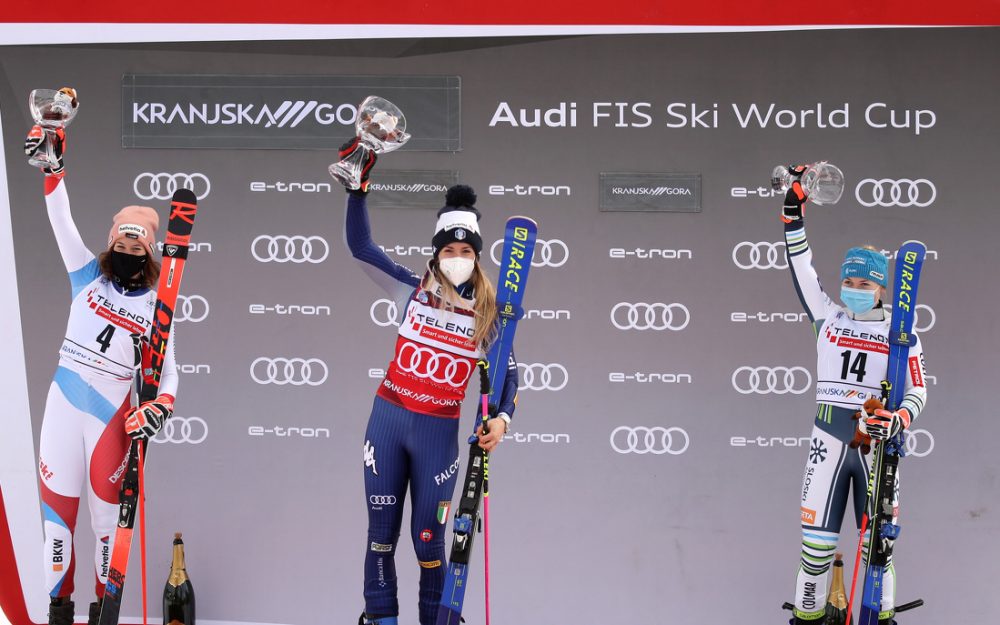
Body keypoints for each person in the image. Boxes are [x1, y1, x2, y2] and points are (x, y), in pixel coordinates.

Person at [337, 139, 519, 625]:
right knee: (380, 535)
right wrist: (358, 193)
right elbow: (360, 247)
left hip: (438, 434)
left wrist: (500, 421)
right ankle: (381, 619)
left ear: (476, 257)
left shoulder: (489, 316)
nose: (456, 257)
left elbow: (509, 377)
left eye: (465, 250)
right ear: (436, 253)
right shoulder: (408, 288)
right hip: (389, 422)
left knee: (428, 542)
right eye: (449, 249)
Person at [24, 113, 178, 625]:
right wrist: (53, 165)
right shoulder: (86, 274)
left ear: (150, 254)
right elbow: (59, 217)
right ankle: (58, 610)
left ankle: (102, 614)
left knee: (109, 524)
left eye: (138, 247)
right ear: (111, 243)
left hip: (112, 414)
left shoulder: (158, 306)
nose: (129, 252)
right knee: (56, 523)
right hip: (65, 404)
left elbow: (169, 372)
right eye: (123, 243)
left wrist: (159, 406)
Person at [780, 166, 928, 625]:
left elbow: (918, 391)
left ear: (882, 287)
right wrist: (792, 210)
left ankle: (881, 619)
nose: (854, 291)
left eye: (865, 284)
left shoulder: (900, 332)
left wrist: (899, 418)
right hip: (827, 441)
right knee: (815, 549)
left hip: (875, 446)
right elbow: (801, 268)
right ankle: (807, 618)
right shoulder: (828, 318)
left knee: (878, 553)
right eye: (849, 282)